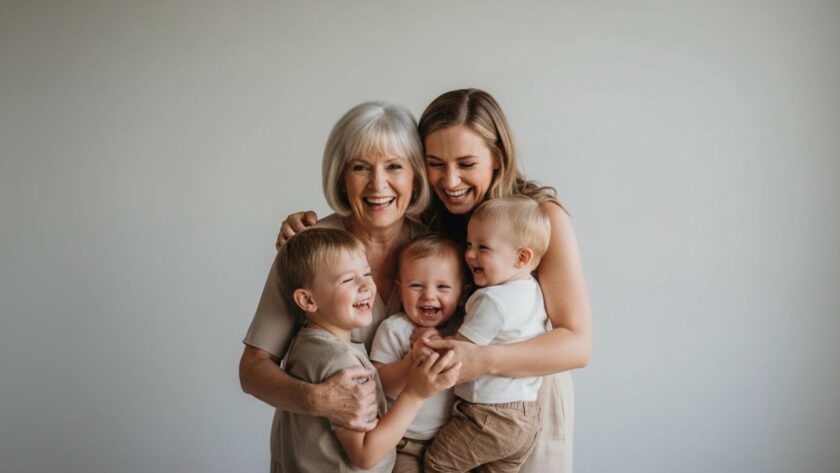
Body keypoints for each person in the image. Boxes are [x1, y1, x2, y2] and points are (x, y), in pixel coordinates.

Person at [276, 88, 592, 473]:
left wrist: (479, 359)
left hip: (523, 402)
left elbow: (577, 344)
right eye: (435, 163)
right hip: (448, 414)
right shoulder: (430, 220)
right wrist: (303, 230)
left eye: (466, 163)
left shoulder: (540, 219)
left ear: (497, 157)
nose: (450, 179)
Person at [239, 101, 458, 472]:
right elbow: (252, 370)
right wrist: (317, 399)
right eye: (360, 167)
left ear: (415, 176)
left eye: (394, 167)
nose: (378, 184)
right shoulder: (307, 249)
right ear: (341, 176)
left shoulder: (438, 252)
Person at [272, 227, 458, 472]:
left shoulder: (308, 345)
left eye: (366, 273)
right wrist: (415, 393)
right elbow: (365, 454)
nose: (366, 286)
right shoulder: (340, 363)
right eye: (347, 279)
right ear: (308, 300)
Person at [423, 196, 551, 472]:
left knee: (437, 464)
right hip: (527, 415)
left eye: (483, 248)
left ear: (522, 257)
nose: (469, 254)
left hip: (490, 414)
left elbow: (460, 353)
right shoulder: (531, 290)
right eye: (469, 244)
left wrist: (429, 340)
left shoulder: (493, 300)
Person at [368, 233, 468, 472]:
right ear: (400, 291)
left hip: (450, 440)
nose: (429, 295)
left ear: (463, 294)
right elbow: (379, 383)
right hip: (403, 443)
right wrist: (412, 359)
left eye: (442, 286)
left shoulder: (463, 331)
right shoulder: (394, 329)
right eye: (416, 286)